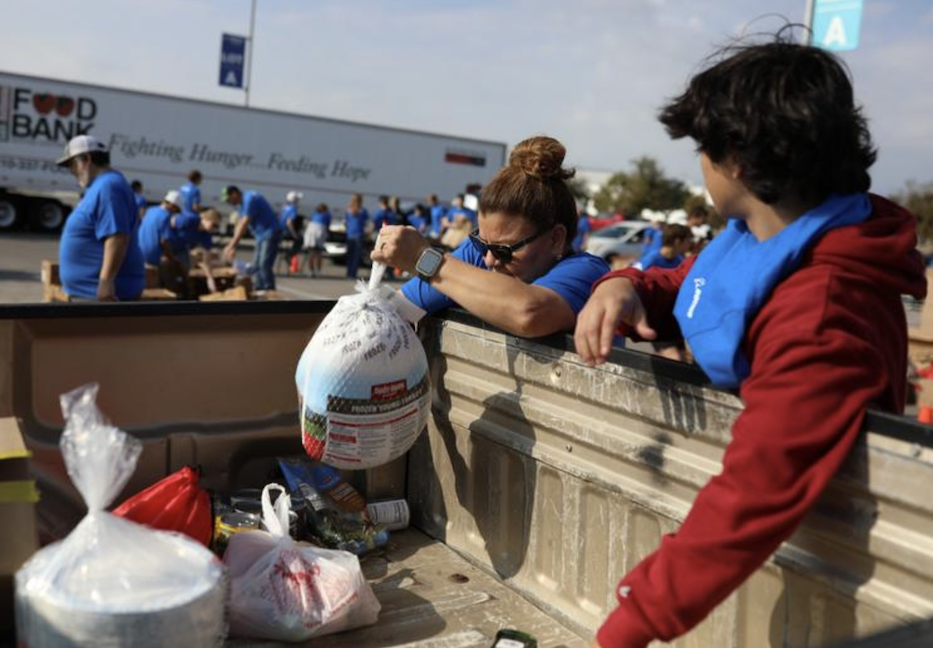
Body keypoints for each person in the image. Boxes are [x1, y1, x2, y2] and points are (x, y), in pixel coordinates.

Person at [573, 32, 927, 647]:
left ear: (735, 159)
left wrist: (632, 622)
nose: (701, 164)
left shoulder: (822, 310)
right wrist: (624, 287)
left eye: (703, 149)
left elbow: (755, 491)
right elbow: (694, 285)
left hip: (833, 584)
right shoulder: (767, 238)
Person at [372, 136, 610, 338]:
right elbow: (398, 307)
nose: (488, 260)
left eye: (505, 250)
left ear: (556, 239)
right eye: (481, 242)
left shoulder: (589, 274)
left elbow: (529, 313)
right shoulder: (482, 254)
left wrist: (423, 258)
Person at [56, 135, 145, 301]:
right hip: (90, 295)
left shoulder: (109, 186)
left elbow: (117, 237)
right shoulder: (101, 186)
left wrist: (106, 282)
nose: (71, 171)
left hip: (100, 297)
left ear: (87, 159)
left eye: (72, 164)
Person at [222, 185, 282, 292]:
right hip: (260, 235)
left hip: (270, 232)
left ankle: (269, 290)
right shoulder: (240, 205)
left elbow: (245, 223)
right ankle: (259, 289)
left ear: (234, 194)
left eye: (228, 199)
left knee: (264, 264)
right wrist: (233, 246)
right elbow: (239, 224)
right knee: (256, 265)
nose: (229, 202)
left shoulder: (250, 199)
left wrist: (232, 245)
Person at [137, 189, 185, 291]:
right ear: (172, 206)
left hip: (139, 252)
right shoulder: (165, 215)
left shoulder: (151, 210)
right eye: (175, 210)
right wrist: (172, 259)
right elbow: (164, 241)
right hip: (151, 256)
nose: (174, 213)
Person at [344, 193, 370, 280]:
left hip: (350, 234)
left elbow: (346, 222)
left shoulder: (348, 210)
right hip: (359, 234)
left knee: (350, 255)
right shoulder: (363, 211)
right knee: (356, 256)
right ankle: (352, 274)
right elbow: (366, 223)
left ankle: (348, 273)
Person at [303, 203, 331, 278]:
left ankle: (311, 271)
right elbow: (327, 226)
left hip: (311, 231)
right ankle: (317, 271)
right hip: (320, 230)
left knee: (311, 253)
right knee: (318, 253)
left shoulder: (314, 214)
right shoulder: (327, 214)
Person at [280, 191, 304, 274]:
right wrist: (294, 234)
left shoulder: (285, 207)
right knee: (300, 240)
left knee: (297, 239)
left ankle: (289, 255)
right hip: (287, 232)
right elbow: (289, 222)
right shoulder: (293, 208)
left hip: (281, 231)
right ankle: (289, 255)